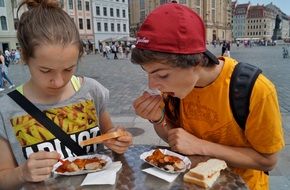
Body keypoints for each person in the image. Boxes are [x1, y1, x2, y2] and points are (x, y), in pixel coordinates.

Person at [131, 2, 284, 190]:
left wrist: (201, 146)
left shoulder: (256, 90)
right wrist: (158, 119)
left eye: (162, 75)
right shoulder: (173, 90)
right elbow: (176, 139)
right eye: (148, 73)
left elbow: (268, 161)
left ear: (196, 61)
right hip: (191, 183)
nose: (152, 85)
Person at [0, 1, 132, 189]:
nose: (59, 81)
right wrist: (21, 173)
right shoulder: (6, 109)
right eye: (46, 71)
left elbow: (108, 136)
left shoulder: (92, 91)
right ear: (24, 56)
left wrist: (118, 140)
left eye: (69, 69)